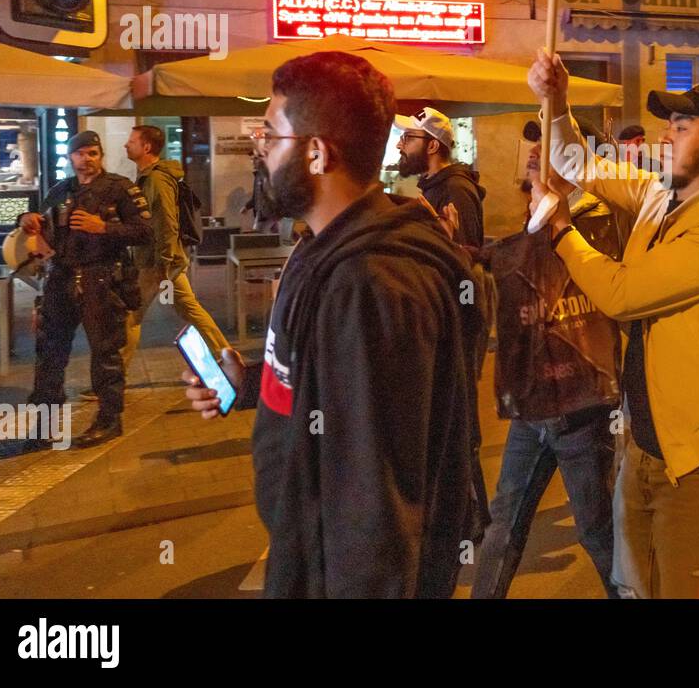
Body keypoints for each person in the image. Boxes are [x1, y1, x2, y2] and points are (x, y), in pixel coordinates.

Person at [182, 51, 483, 597]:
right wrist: (249, 383)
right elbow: (333, 386)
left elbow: (374, 502)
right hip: (307, 550)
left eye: (271, 135)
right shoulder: (326, 246)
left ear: (317, 153)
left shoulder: (369, 284)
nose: (261, 149)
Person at [529, 49, 699, 599]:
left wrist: (561, 230)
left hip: (697, 460)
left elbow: (622, 294)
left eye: (682, 126)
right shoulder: (661, 196)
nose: (666, 136)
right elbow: (578, 164)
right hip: (644, 444)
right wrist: (556, 100)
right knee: (636, 587)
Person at [471, 118, 627, 599]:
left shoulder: (599, 222)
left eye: (547, 148)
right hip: (534, 402)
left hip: (582, 407)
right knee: (503, 525)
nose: (534, 155)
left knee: (595, 530)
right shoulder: (534, 219)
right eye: (533, 147)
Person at [21, 131, 152, 448]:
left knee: (105, 353)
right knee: (49, 353)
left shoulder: (120, 188)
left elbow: (146, 231)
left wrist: (103, 227)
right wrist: (27, 219)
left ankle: (109, 420)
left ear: (100, 156)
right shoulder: (61, 189)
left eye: (93, 153)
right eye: (81, 153)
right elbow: (38, 217)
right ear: (71, 157)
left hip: (102, 278)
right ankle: (45, 424)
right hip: (61, 277)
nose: (87, 159)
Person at [118, 124, 231, 373]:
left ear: (146, 147)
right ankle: (227, 356)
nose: (126, 145)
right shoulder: (149, 176)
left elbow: (167, 223)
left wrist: (164, 263)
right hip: (162, 260)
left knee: (132, 314)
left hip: (156, 262)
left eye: (132, 141)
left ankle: (112, 378)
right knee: (188, 308)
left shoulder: (156, 180)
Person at [394, 106, 486, 248]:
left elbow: (467, 254)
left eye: (408, 137)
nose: (399, 145)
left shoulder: (455, 190)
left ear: (432, 146)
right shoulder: (435, 185)